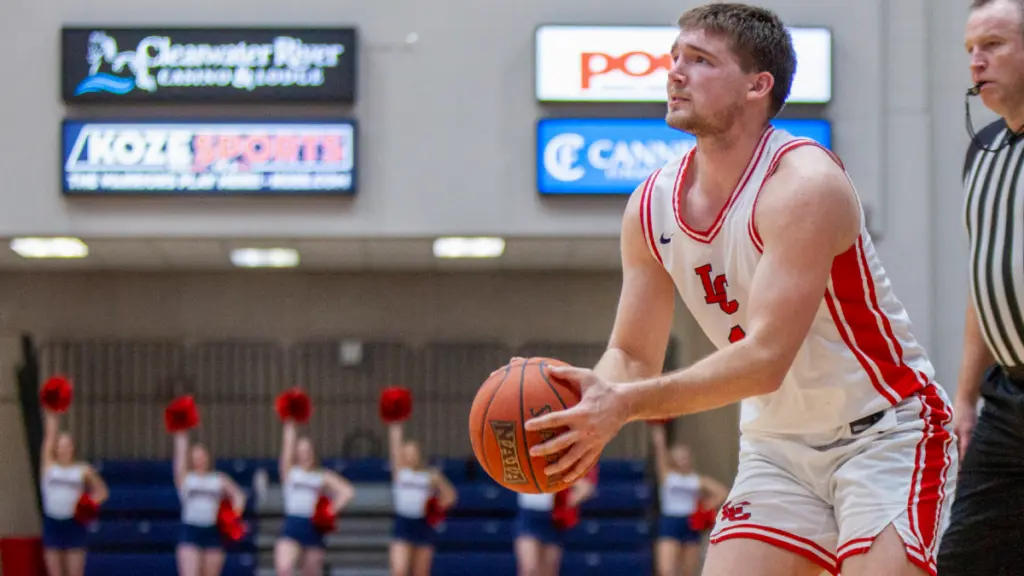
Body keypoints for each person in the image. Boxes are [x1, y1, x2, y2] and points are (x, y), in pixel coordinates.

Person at [523, 4, 958, 576]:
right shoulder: (649, 206)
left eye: (700, 61)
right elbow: (631, 354)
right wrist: (588, 408)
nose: (675, 72)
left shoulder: (804, 185)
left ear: (758, 85)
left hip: (884, 435)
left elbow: (765, 360)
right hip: (777, 447)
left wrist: (624, 405)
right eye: (676, 57)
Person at [935, 0, 1024, 572]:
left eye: (992, 44)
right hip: (1006, 400)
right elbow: (984, 281)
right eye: (970, 49)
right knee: (967, 559)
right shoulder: (982, 151)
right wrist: (965, 398)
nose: (976, 61)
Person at [274, 420, 356, 576]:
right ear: (296, 454)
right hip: (292, 525)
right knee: (284, 569)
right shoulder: (290, 472)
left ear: (313, 453)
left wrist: (329, 510)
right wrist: (290, 423)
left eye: (308, 451)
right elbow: (286, 446)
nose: (305, 455)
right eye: (301, 451)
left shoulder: (322, 475)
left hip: (313, 527)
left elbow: (348, 491)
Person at [649, 424, 728, 576]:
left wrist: (706, 505)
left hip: (690, 521)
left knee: (688, 571)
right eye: (678, 458)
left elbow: (722, 492)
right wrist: (658, 429)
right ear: (672, 459)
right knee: (666, 570)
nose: (682, 461)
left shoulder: (697, 479)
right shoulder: (667, 475)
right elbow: (660, 450)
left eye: (684, 457)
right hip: (670, 520)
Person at [40, 407, 109, 576]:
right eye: (60, 446)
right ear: (56, 449)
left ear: (73, 448)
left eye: (67, 445)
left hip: (74, 523)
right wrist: (52, 413)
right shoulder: (49, 466)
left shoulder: (82, 469)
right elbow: (49, 438)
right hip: (52, 523)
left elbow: (102, 491)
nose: (63, 449)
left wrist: (88, 505)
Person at [171, 429, 247, 576]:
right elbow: (179, 458)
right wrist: (181, 433)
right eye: (196, 456)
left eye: (202, 455)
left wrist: (233, 516)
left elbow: (239, 496)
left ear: (208, 457)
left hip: (212, 532)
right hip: (190, 531)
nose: (199, 459)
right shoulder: (186, 478)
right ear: (191, 459)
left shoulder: (218, 479)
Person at [387, 422, 457, 576]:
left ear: (419, 454)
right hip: (403, 522)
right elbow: (394, 448)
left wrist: (436, 508)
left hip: (422, 523)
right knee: (399, 570)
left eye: (413, 452)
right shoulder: (399, 472)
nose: (410, 456)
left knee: (421, 572)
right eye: (407, 452)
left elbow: (450, 496)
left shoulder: (430, 475)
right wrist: (395, 424)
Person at [513, 470, 596, 576]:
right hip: (529, 515)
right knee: (529, 568)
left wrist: (566, 503)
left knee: (548, 571)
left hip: (552, 517)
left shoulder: (558, 465)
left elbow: (586, 488)